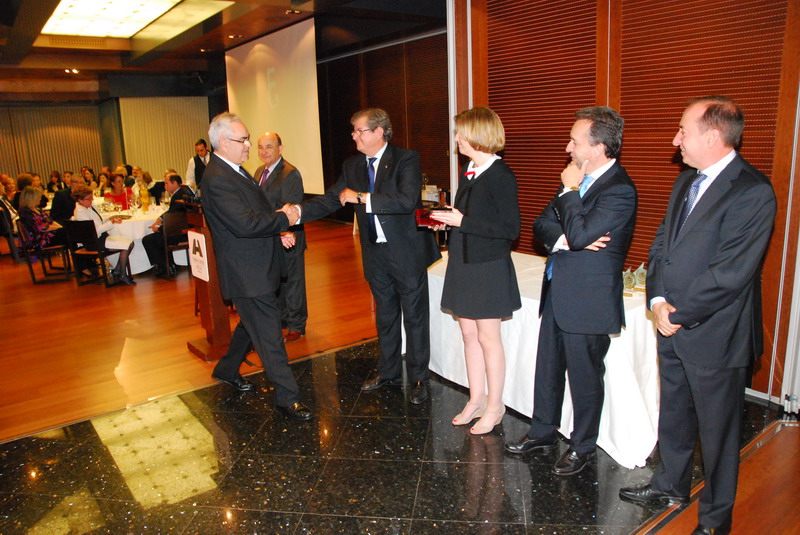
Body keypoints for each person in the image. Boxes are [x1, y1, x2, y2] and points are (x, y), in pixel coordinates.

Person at [619, 96, 776, 535]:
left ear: (712, 136)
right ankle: (670, 484)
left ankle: (715, 520)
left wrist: (680, 312)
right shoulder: (686, 181)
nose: (676, 140)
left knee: (718, 434)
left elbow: (731, 273)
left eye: (683, 132)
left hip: (716, 334)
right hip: (670, 322)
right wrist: (656, 301)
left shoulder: (753, 191)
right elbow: (661, 247)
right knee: (674, 412)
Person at [505, 106, 637, 476]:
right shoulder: (575, 182)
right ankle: (542, 432)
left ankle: (583, 447)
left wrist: (570, 195)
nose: (568, 148)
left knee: (585, 379)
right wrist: (566, 237)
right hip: (558, 291)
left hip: (589, 301)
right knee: (547, 370)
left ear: (598, 148)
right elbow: (541, 225)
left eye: (574, 142)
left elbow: (579, 233)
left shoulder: (619, 190)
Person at [295, 107, 441, 404]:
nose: (354, 136)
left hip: (407, 252)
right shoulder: (352, 166)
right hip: (375, 252)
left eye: (359, 131)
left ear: (379, 132)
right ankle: (388, 372)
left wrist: (362, 197)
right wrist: (296, 213)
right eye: (353, 131)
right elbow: (331, 199)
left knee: (414, 318)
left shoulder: (406, 159)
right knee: (385, 316)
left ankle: (418, 378)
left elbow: (406, 200)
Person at [202, 112, 312, 422]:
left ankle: (226, 370)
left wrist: (277, 232)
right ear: (224, 143)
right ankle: (288, 398)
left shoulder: (233, 169)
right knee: (269, 335)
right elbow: (245, 223)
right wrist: (284, 219)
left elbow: (253, 213)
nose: (249, 145)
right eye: (244, 140)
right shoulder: (217, 178)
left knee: (251, 324)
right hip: (247, 272)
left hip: (257, 265)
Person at [429, 107, 521, 434]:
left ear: (477, 135)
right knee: (468, 334)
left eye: (460, 133)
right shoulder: (470, 170)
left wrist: (463, 221)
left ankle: (495, 406)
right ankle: (476, 398)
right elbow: (469, 216)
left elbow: (510, 229)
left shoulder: (500, 175)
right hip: (463, 262)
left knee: (488, 338)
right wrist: (448, 219)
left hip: (487, 266)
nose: (456, 138)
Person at [255, 132, 308, 342]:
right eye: (260, 147)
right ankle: (283, 319)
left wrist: (279, 228)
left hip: (289, 236)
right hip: (270, 236)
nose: (264, 151)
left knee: (293, 282)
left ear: (280, 148)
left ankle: (297, 325)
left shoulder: (290, 173)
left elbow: (290, 209)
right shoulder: (259, 171)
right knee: (278, 280)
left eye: (269, 147)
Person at [72, 185, 136, 286]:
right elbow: (94, 231)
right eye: (89, 199)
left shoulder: (89, 207)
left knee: (129, 243)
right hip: (93, 241)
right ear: (80, 200)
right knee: (128, 245)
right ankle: (122, 274)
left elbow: (99, 221)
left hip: (100, 237)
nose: (92, 201)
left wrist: (110, 218)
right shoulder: (80, 212)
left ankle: (118, 270)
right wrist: (111, 222)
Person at [142, 174, 194, 276]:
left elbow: (175, 219)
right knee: (157, 237)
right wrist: (160, 219)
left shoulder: (178, 196)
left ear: (175, 183)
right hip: (183, 229)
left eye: (167, 183)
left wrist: (159, 228)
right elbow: (172, 212)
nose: (165, 186)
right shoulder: (184, 191)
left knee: (148, 240)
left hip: (180, 233)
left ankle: (166, 268)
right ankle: (170, 265)